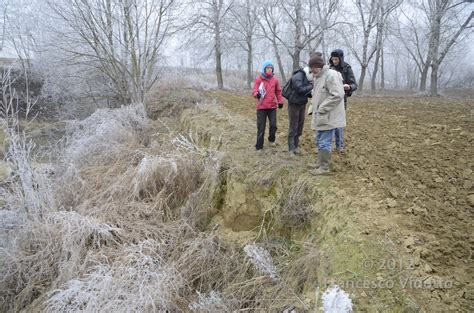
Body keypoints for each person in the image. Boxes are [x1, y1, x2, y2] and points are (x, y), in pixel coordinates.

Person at [308, 55, 346, 175]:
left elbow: (338, 95)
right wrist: (312, 108)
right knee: (320, 139)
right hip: (321, 115)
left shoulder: (331, 75)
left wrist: (322, 108)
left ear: (318, 67)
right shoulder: (319, 77)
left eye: (312, 68)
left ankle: (324, 168)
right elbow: (317, 95)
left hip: (329, 116)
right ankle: (320, 163)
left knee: (324, 141)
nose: (311, 72)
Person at [328, 49, 357, 153]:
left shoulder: (347, 68)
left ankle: (340, 146)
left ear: (340, 59)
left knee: (339, 124)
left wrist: (349, 86)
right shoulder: (329, 68)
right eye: (333, 59)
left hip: (341, 100)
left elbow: (354, 85)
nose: (334, 61)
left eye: (336, 59)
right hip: (330, 99)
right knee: (330, 123)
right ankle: (328, 145)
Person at [252, 60, 284, 151]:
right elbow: (254, 90)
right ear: (264, 69)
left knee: (273, 125)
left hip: (272, 107)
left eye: (271, 68)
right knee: (261, 127)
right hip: (261, 107)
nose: (269, 70)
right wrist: (256, 94)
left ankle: (271, 140)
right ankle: (259, 146)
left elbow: (278, 91)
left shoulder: (275, 79)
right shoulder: (259, 79)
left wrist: (280, 101)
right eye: (268, 68)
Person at [286, 65, 314, 155]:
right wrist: (311, 86)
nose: (314, 75)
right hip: (294, 104)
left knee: (300, 126)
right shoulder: (298, 76)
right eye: (313, 73)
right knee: (293, 125)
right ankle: (291, 148)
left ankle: (296, 146)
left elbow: (307, 92)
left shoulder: (307, 77)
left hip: (302, 103)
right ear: (310, 70)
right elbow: (300, 89)